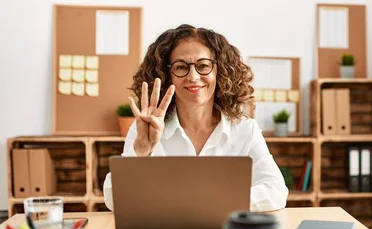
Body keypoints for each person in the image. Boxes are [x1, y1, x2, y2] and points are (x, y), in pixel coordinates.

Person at [103, 24, 288, 212]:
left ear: (220, 71)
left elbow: (276, 191)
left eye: (203, 66)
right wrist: (140, 154)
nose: (193, 76)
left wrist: (210, 200)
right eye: (181, 67)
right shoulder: (145, 129)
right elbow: (114, 199)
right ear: (167, 76)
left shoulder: (245, 130)